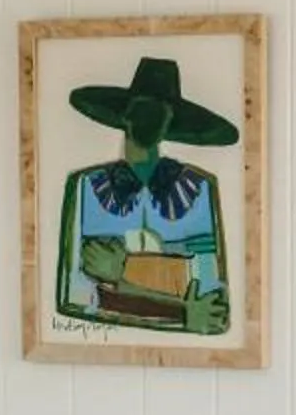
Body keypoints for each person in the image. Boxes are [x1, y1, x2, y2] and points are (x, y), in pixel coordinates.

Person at [53, 55, 236, 336]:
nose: (147, 122)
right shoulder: (86, 187)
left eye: (157, 114)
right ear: (124, 117)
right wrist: (179, 307)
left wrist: (123, 273)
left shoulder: (199, 190)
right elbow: (78, 299)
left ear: (170, 123)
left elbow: (210, 307)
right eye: (141, 112)